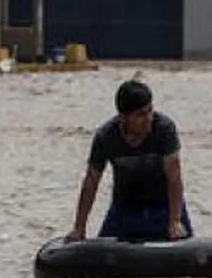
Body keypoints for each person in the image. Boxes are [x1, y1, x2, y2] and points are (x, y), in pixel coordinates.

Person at [67, 79, 192, 243]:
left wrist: (175, 221)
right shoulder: (106, 137)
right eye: (140, 114)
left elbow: (174, 178)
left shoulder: (164, 129)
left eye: (150, 111)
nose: (148, 118)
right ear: (123, 117)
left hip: (164, 205)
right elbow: (91, 181)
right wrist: (79, 227)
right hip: (125, 208)